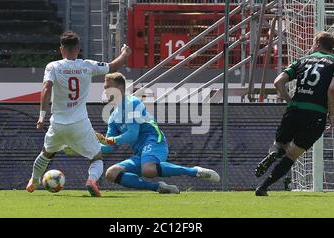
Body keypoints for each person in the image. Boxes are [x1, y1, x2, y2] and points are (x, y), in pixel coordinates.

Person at [26, 31, 131, 197]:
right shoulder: (87, 66)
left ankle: (34, 180)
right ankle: (91, 181)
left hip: (58, 124)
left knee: (46, 153)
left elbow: (46, 88)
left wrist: (41, 116)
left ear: (61, 49)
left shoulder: (53, 66)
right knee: (96, 157)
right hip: (79, 123)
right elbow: (113, 67)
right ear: (78, 49)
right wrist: (124, 53)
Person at [96, 72, 220, 194]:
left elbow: (132, 134)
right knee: (111, 173)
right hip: (140, 153)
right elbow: (108, 147)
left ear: (119, 88)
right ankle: (158, 187)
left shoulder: (131, 103)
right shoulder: (113, 116)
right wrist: (91, 147)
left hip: (154, 141)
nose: (105, 91)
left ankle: (194, 171)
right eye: (104, 88)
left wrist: (110, 140)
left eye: (108, 88)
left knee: (148, 169)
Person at [254, 32, 334, 196]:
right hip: (316, 114)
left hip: (295, 110)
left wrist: (288, 99)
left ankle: (273, 153)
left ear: (317, 43)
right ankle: (263, 187)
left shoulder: (302, 60)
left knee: (280, 144)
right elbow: (332, 89)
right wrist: (332, 113)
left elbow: (278, 82)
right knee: (293, 154)